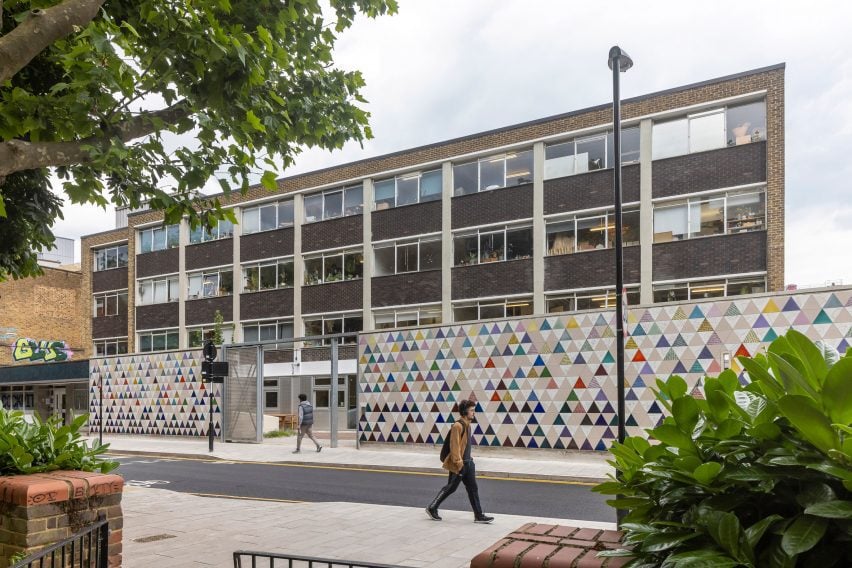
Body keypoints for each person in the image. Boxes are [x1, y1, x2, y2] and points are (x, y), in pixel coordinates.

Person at [426, 399, 494, 524]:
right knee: (451, 487)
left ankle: (478, 515)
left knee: (473, 488)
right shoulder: (457, 426)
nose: (474, 413)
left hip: (468, 462)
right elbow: (455, 446)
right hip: (461, 464)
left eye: (474, 410)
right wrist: (458, 463)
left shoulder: (468, 424)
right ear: (464, 411)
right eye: (472, 410)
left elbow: (465, 445)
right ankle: (432, 507)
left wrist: (469, 460)